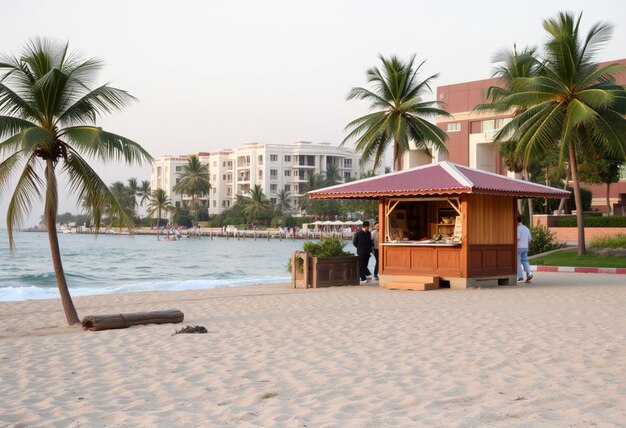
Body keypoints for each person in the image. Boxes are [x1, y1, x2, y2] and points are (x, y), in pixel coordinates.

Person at [517, 216, 533, 283]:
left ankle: (520, 277)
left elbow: (517, 238)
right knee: (525, 261)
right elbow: (530, 239)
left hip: (518, 247)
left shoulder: (518, 229)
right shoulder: (526, 228)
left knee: (517, 262)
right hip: (525, 247)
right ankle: (529, 273)